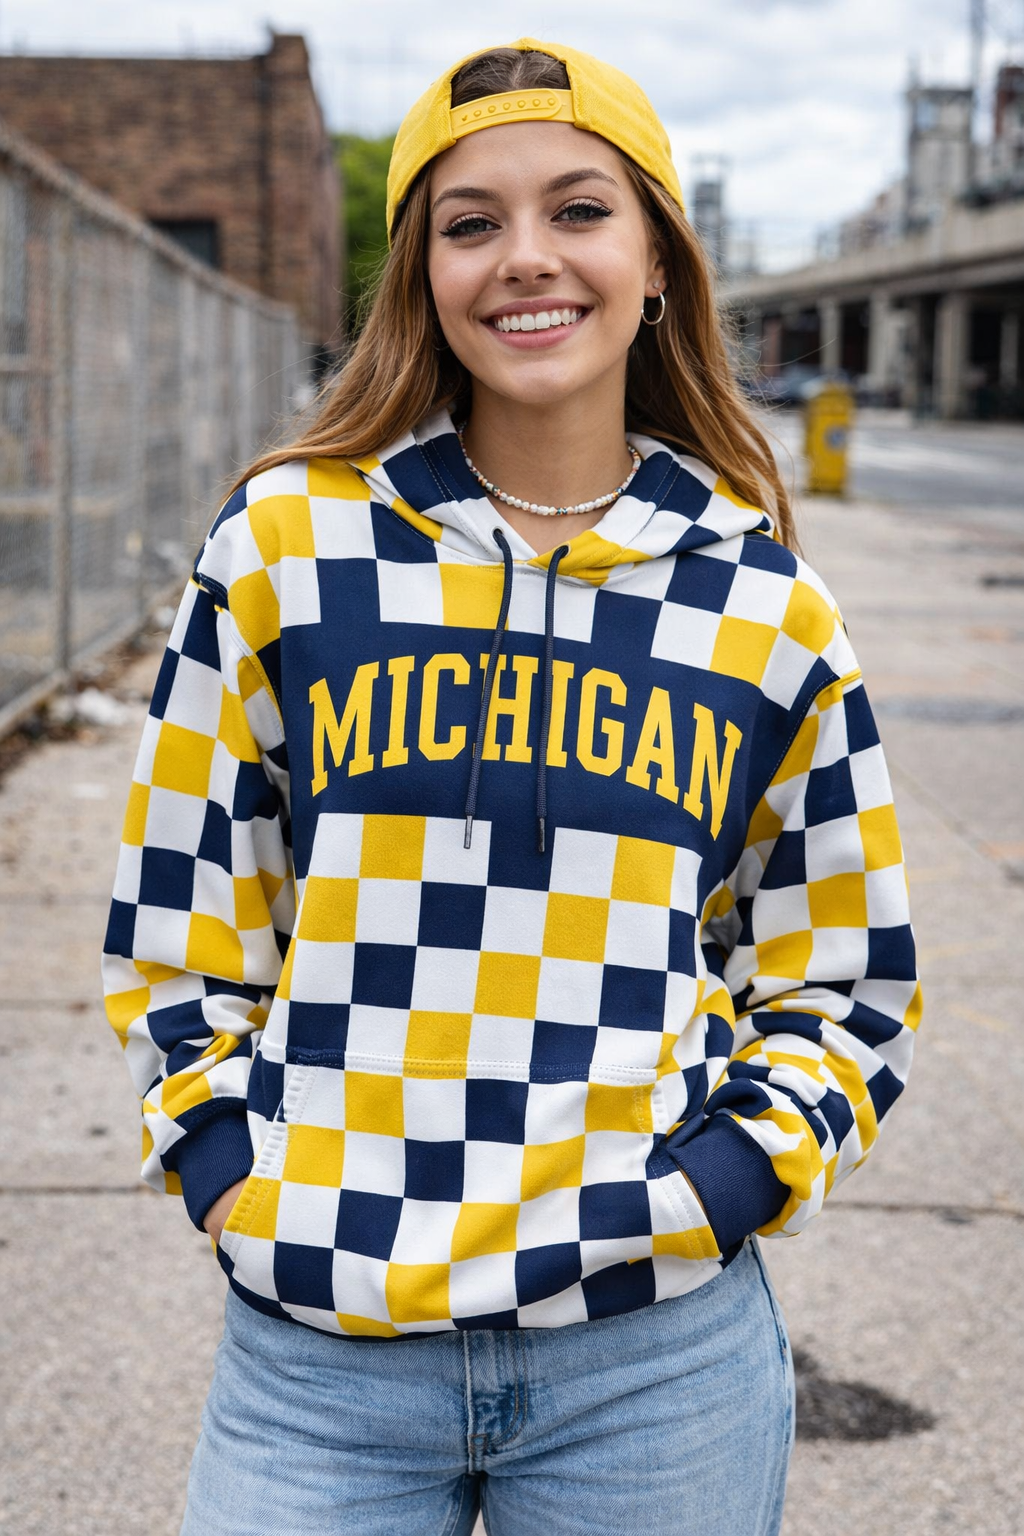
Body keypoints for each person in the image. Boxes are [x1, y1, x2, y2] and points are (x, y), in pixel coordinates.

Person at [102, 38, 921, 1536]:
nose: (525, 258)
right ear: (420, 275)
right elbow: (182, 921)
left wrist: (714, 1193)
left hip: (653, 1370)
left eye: (579, 210)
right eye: (469, 222)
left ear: (661, 256)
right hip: (323, 1365)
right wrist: (231, 1175)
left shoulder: (762, 602)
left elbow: (846, 980)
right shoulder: (288, 548)